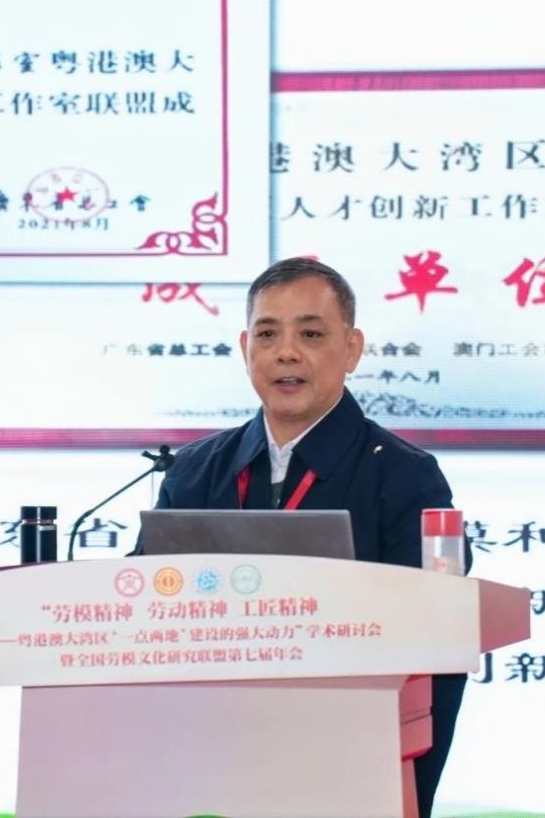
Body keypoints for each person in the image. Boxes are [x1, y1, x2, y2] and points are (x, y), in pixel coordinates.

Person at [130, 257, 470, 817]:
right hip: (205, 757)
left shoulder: (404, 476)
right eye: (268, 334)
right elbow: (139, 605)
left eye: (310, 334)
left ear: (352, 349)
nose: (286, 352)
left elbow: (438, 634)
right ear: (246, 348)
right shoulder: (194, 470)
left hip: (345, 762)